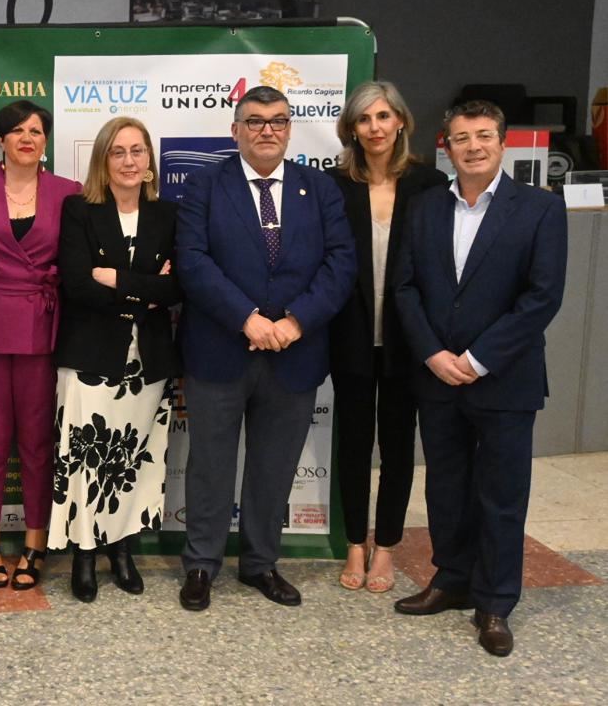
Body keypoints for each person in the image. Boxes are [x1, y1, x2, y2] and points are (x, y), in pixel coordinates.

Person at [392, 100, 566, 657]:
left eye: (484, 135)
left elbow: (542, 297)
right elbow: (404, 288)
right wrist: (433, 354)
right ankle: (452, 580)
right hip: (437, 376)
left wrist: (478, 358)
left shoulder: (540, 209)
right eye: (462, 138)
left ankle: (494, 602)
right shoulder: (423, 207)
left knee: (501, 495)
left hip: (504, 379)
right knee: (445, 487)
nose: (473, 147)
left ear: (503, 142)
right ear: (446, 146)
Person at [175, 85, 355, 611]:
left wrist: (297, 321)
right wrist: (247, 320)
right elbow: (192, 261)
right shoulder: (205, 185)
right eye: (255, 121)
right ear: (236, 130)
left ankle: (260, 563)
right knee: (210, 466)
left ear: (290, 128)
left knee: (274, 468)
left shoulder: (318, 188)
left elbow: (341, 262)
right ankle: (201, 564)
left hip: (295, 354)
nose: (267, 130)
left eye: (278, 120)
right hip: (219, 351)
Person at [48, 116, 181, 603]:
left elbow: (177, 287)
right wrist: (145, 290)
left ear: (149, 160)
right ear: (103, 161)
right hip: (90, 355)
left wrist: (116, 278)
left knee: (133, 459)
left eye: (137, 151)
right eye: (118, 152)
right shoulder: (79, 210)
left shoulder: (168, 214)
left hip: (148, 361)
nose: (129, 161)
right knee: (85, 461)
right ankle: (84, 554)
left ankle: (122, 550)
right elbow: (77, 283)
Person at [326, 81, 448, 593]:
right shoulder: (334, 185)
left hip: (408, 339)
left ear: (400, 121)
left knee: (398, 447)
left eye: (382, 116)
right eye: (364, 119)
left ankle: (387, 547)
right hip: (350, 335)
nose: (374, 127)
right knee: (353, 444)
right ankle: (355, 542)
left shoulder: (430, 184)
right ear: (351, 129)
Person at [0, 100, 81, 590]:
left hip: (43, 329)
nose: (27, 138)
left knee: (36, 444)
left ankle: (36, 542)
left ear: (45, 141)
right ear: (1, 140)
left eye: (36, 131)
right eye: (17, 131)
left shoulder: (69, 192)